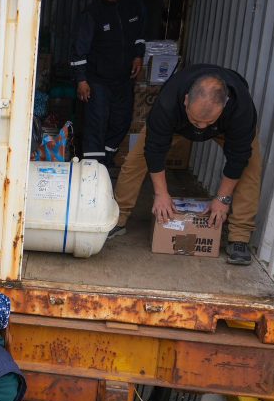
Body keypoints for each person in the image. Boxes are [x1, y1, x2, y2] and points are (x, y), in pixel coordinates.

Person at [109, 64, 261, 265]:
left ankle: (239, 237)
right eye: (196, 120)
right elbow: (154, 150)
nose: (201, 128)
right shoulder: (168, 102)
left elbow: (239, 158)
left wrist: (222, 199)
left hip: (225, 129)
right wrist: (161, 194)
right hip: (178, 125)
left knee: (251, 167)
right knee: (135, 160)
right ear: (186, 100)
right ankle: (117, 218)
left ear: (225, 104)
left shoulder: (241, 108)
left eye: (208, 122)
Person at [70, 0, 147, 167]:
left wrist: (138, 56)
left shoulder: (133, 6)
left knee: (121, 122)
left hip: (123, 79)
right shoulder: (92, 13)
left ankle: (104, 160)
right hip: (97, 80)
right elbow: (79, 49)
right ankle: (92, 168)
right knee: (96, 124)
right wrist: (81, 80)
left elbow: (139, 35)